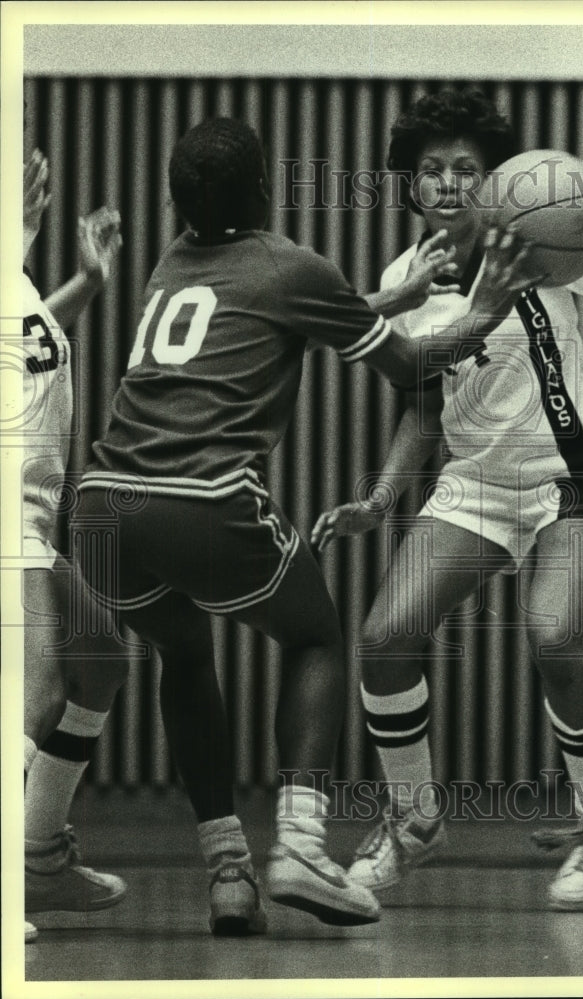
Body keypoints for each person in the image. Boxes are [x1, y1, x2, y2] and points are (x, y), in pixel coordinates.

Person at [74, 117, 536, 934]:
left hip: (103, 507)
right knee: (318, 636)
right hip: (203, 498)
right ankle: (300, 845)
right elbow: (411, 367)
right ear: (262, 190)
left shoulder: (171, 263)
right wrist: (489, 305)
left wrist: (387, 298)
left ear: (179, 200)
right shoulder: (291, 263)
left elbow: (295, 311)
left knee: (182, 653)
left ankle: (228, 873)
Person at [311, 87, 583, 910]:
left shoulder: (549, 241)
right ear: (411, 184)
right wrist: (379, 499)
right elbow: (420, 397)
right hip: (475, 484)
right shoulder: (406, 277)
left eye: (465, 170)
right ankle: (414, 822)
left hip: (574, 477)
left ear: (492, 182)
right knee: (383, 637)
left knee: (555, 638)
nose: (447, 183)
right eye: (432, 170)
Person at [21, 144, 128, 943]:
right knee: (30, 697)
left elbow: (23, 349)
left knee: (97, 656)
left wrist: (87, 284)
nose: (33, 169)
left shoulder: (11, 268)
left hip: (29, 515)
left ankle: (37, 861)